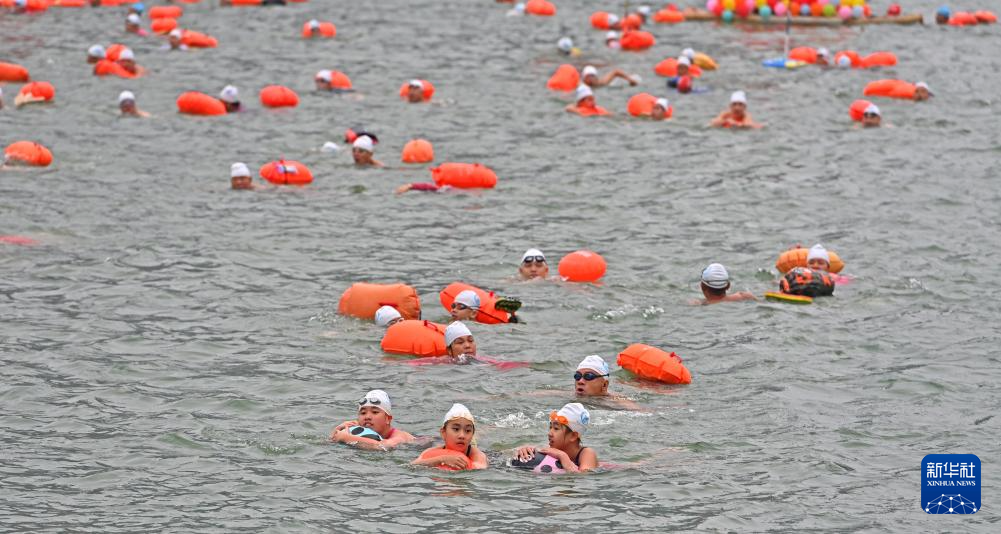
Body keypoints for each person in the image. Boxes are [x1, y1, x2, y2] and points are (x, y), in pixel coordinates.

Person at [513, 403, 597, 473]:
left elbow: (583, 477)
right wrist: (524, 449)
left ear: (573, 436)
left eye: (556, 428)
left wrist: (562, 456)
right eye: (550, 427)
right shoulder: (552, 449)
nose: (549, 433)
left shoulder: (587, 453)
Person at [330, 390, 416, 450]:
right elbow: (330, 443)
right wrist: (338, 429)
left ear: (388, 419)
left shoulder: (399, 436)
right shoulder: (358, 427)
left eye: (375, 412)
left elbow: (383, 447)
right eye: (363, 413)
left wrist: (346, 438)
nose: (367, 417)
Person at [412, 403, 488, 470]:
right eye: (456, 429)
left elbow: (480, 468)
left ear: (472, 434)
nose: (462, 435)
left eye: (468, 430)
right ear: (443, 433)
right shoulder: (431, 451)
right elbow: (413, 465)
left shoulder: (478, 455)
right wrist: (442, 459)